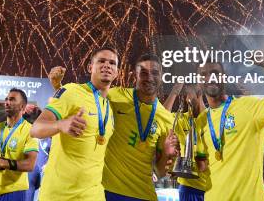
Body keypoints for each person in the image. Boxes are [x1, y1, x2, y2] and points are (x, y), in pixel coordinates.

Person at [49, 53, 179, 201]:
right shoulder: (115, 96)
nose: (149, 77)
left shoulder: (167, 119)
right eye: (143, 72)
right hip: (106, 191)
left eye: (154, 73)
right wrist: (57, 87)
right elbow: (80, 99)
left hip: (143, 194)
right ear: (134, 75)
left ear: (162, 76)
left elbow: (160, 172)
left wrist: (168, 154)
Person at [194, 61, 264, 200]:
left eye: (215, 73)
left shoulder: (248, 106)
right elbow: (202, 167)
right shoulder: (200, 121)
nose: (210, 78)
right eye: (203, 75)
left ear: (224, 77)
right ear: (198, 81)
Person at [31, 47, 118, 201]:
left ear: (117, 72)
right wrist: (60, 125)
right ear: (90, 67)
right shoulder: (71, 91)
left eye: (112, 63)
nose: (107, 65)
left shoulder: (109, 109)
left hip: (93, 195)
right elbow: (36, 129)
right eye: (101, 61)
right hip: (59, 195)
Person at [0, 88, 38, 200]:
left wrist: (0, 162)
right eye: (6, 99)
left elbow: (30, 164)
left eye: (12, 99)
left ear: (22, 107)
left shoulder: (30, 130)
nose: (7, 102)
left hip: (13, 192)